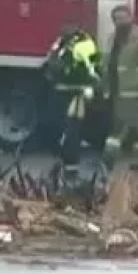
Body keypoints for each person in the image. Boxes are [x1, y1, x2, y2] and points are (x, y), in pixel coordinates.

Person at [104, 4, 138, 170]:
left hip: (134, 87)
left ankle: (107, 159)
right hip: (117, 88)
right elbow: (108, 63)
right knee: (133, 127)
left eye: (123, 17)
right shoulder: (113, 37)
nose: (120, 21)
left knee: (119, 126)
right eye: (117, 18)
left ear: (131, 17)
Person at [44, 27, 103, 168]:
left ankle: (64, 153)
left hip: (66, 89)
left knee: (66, 122)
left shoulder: (62, 44)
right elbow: (96, 65)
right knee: (73, 123)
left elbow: (51, 62)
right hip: (76, 90)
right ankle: (69, 156)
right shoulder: (85, 44)